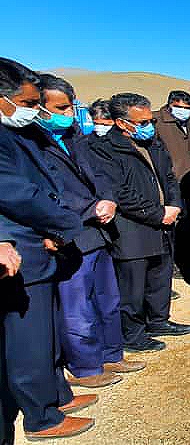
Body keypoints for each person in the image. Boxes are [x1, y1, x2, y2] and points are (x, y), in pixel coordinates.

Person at [0, 58, 96, 440]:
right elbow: (18, 195)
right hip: (21, 251)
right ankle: (42, 417)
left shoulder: (20, 131)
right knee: (28, 339)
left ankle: (56, 394)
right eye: (26, 102)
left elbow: (45, 183)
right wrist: (67, 224)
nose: (32, 110)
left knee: (47, 332)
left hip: (44, 244)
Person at [34, 75, 145, 388]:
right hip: (69, 232)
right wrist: (89, 209)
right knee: (77, 305)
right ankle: (86, 366)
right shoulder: (31, 142)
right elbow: (46, 188)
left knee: (107, 298)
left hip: (98, 230)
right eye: (61, 107)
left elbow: (96, 173)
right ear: (39, 106)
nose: (68, 113)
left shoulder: (72, 136)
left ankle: (113, 353)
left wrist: (107, 198)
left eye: (71, 106)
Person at [87, 93, 190, 352]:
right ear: (123, 123)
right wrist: (159, 213)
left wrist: (174, 205)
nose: (150, 125)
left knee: (160, 276)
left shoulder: (153, 142)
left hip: (164, 220)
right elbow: (119, 193)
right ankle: (132, 335)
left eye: (151, 120)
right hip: (132, 227)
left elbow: (169, 177)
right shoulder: (105, 150)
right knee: (132, 286)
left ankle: (158, 321)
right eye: (143, 121)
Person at [153, 90, 190, 285]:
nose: (184, 112)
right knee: (171, 227)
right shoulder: (156, 121)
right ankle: (172, 265)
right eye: (181, 107)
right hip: (170, 183)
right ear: (170, 104)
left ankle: (189, 261)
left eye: (188, 109)